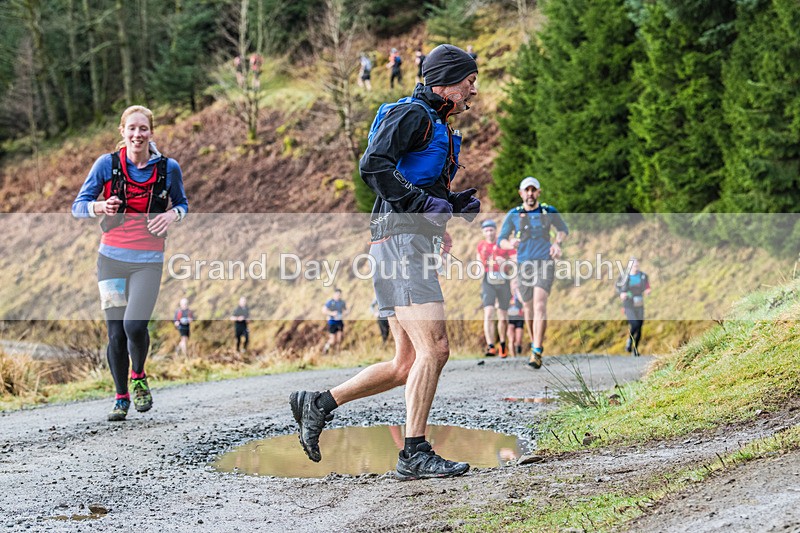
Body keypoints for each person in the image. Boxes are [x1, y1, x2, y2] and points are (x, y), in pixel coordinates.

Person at [290, 44, 480, 480]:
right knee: (436, 349)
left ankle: (318, 404)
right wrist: (421, 204)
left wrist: (451, 203)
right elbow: (374, 165)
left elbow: (414, 178)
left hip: (401, 241)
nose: (474, 89)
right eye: (468, 81)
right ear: (445, 82)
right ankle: (414, 453)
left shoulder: (436, 122)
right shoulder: (413, 114)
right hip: (400, 243)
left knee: (406, 363)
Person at [71, 105, 188, 421]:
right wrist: (99, 207)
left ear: (151, 132)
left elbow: (183, 204)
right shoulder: (106, 166)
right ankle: (121, 397)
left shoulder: (168, 168)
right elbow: (77, 206)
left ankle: (138, 375)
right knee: (115, 333)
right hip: (110, 261)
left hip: (148, 261)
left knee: (134, 326)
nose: (137, 134)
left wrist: (170, 214)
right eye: (132, 128)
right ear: (122, 131)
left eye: (143, 129)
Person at [498, 176, 568, 369]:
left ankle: (537, 349)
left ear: (538, 192)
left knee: (539, 305)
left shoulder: (548, 211)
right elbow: (501, 240)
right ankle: (534, 343)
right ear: (521, 193)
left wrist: (557, 243)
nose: (530, 193)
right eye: (526, 190)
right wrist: (509, 244)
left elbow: (563, 229)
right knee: (528, 308)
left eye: (533, 190)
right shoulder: (514, 214)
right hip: (523, 266)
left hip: (544, 263)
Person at [476, 219, 514, 357]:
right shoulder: (481, 245)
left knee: (503, 316)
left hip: (504, 280)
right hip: (488, 280)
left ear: (495, 230)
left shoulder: (502, 244)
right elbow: (479, 260)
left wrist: (505, 262)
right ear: (483, 232)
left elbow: (515, 261)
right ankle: (490, 345)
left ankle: (503, 345)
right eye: (486, 230)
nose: (489, 232)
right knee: (489, 313)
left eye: (491, 229)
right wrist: (479, 268)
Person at [617, 258, 651, 356]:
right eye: (634, 265)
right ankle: (629, 341)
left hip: (639, 302)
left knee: (639, 326)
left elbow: (647, 286)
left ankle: (635, 349)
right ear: (629, 266)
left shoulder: (643, 276)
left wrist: (648, 290)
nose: (636, 267)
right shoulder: (624, 277)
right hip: (628, 303)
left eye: (637, 265)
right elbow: (618, 287)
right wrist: (621, 293)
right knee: (635, 324)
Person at [322, 288, 349, 353]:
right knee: (333, 339)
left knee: (339, 339)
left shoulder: (342, 302)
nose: (338, 296)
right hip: (332, 322)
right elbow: (323, 310)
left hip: (339, 321)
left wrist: (346, 312)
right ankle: (326, 348)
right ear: (334, 294)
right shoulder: (330, 302)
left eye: (339, 295)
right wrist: (332, 313)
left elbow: (345, 310)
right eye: (337, 294)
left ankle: (337, 352)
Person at [506, 278, 525, 357]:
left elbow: (524, 303)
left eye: (517, 283)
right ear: (510, 285)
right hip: (510, 319)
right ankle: (513, 357)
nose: (515, 285)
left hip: (519, 319)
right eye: (514, 283)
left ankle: (519, 346)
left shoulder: (521, 295)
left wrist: (517, 292)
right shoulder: (507, 295)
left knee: (518, 339)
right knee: (511, 339)